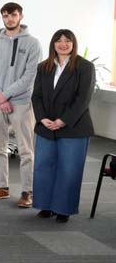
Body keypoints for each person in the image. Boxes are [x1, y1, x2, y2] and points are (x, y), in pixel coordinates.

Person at [32, 29, 95, 223]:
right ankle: (45, 205)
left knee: (69, 169)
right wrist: (42, 118)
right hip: (46, 126)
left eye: (67, 41)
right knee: (43, 167)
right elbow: (37, 96)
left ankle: (63, 209)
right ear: (53, 44)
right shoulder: (43, 67)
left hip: (74, 126)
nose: (63, 44)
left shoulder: (85, 66)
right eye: (59, 41)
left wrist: (63, 120)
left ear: (73, 43)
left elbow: (83, 98)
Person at [0, 2, 41, 207]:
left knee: (26, 150)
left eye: (13, 15)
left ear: (21, 16)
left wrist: (5, 96)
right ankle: (2, 187)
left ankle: (27, 191)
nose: (9, 19)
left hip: (21, 103)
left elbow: (29, 76)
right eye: (5, 16)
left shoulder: (32, 43)